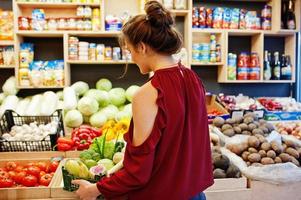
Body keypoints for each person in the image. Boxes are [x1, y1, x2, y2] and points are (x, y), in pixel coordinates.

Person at [72, 1, 214, 199]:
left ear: (142, 47)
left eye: (130, 51)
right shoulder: (192, 78)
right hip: (194, 194)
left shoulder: (147, 94)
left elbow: (138, 174)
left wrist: (94, 190)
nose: (131, 58)